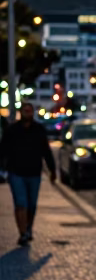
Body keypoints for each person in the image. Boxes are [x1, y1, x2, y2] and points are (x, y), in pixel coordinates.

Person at [0, 102, 57, 245]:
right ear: (21, 113)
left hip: (34, 173)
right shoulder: (12, 130)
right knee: (21, 204)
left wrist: (52, 170)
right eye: (25, 111)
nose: (27, 113)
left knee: (31, 204)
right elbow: (3, 150)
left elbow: (46, 151)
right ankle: (23, 233)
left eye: (30, 111)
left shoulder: (39, 129)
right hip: (16, 172)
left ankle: (28, 228)